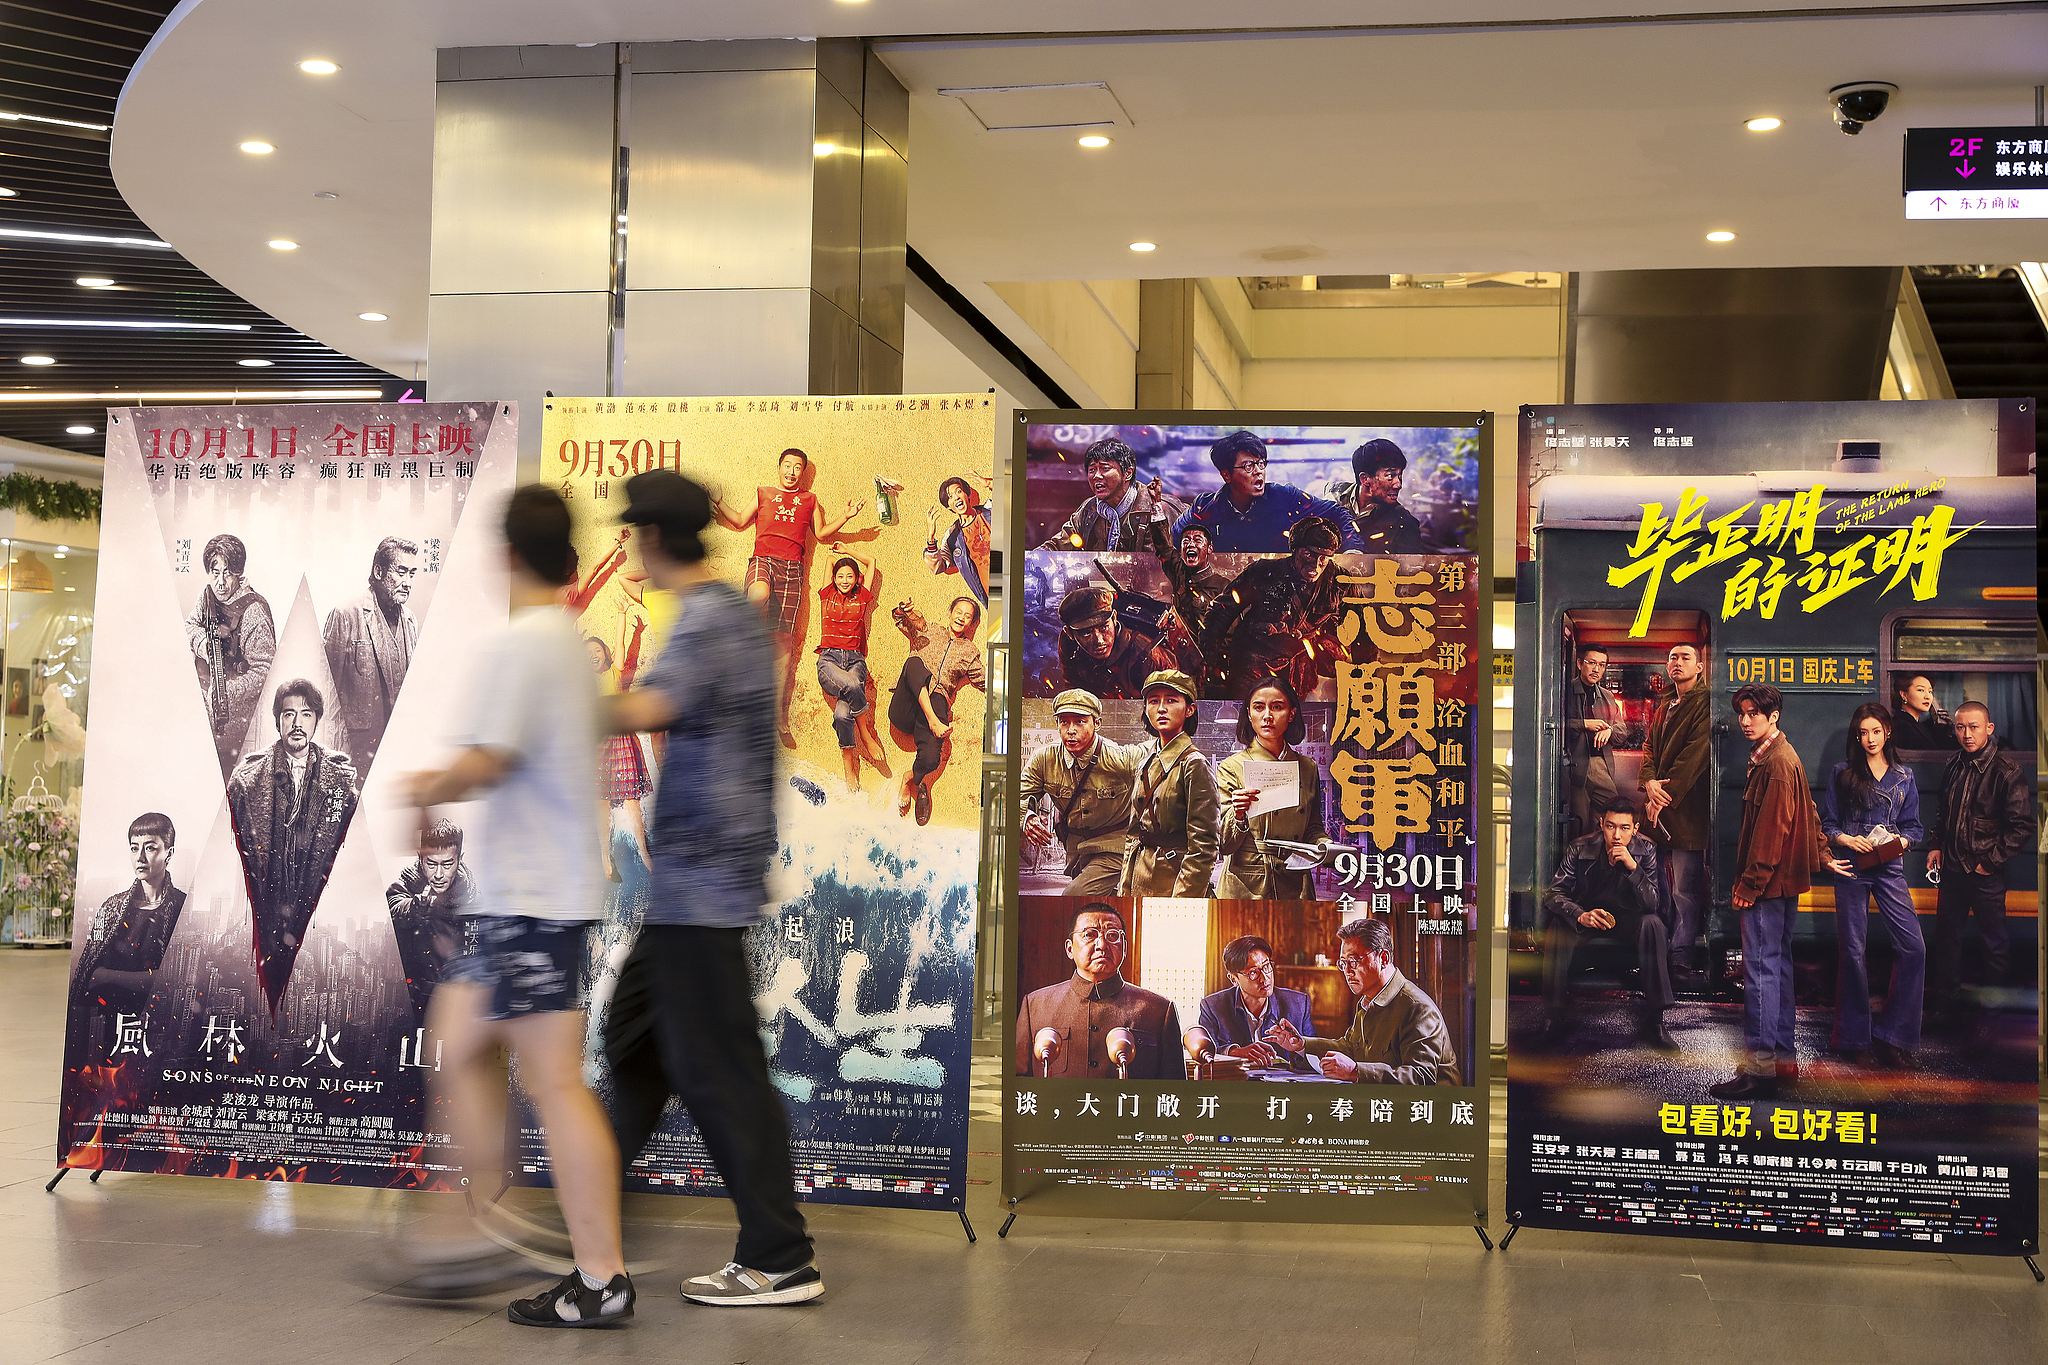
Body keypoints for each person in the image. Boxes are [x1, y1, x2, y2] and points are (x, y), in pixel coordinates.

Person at [403, 484, 630, 1326]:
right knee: (457, 1038)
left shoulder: (525, 645)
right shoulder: (565, 643)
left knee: (554, 1082)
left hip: (531, 902)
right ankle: (471, 1221)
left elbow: (486, 760)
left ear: (505, 556)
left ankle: (601, 1274)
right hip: (526, 899)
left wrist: (415, 788)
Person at [602, 469, 820, 1307]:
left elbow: (652, 705)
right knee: (635, 1043)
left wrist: (552, 701)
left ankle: (779, 1251)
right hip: (694, 883)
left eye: (631, 533)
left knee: (717, 1067)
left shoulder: (711, 615)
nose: (627, 547)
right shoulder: (722, 613)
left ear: (653, 536)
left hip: (703, 884)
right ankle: (587, 1222)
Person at [1708, 684, 1850, 1101]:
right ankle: (1783, 1063)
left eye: (1755, 713)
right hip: (1781, 884)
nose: (1746, 720)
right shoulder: (1779, 757)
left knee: (1761, 973)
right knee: (1779, 970)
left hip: (1767, 887)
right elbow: (1805, 809)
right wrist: (1822, 855)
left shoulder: (1776, 763)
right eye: (1742, 713)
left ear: (1774, 716)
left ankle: (1762, 1070)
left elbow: (1773, 830)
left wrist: (1749, 886)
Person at [708, 447, 864, 748]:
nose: (792, 472)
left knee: (782, 646)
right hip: (763, 561)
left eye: (798, 468)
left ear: (803, 473)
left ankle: (777, 713)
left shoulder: (810, 500)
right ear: (779, 467)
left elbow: (820, 534)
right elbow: (740, 520)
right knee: (758, 595)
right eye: (787, 466)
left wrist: (845, 517)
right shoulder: (764, 492)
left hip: (793, 570)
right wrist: (718, 502)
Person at [224, 679, 357, 1014]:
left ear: (316, 721)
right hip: (267, 901)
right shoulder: (247, 782)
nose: (297, 723)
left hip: (310, 900)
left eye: (306, 714)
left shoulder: (342, 782)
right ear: (278, 720)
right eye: (289, 714)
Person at [1820, 704, 1924, 1069]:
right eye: (1863, 733)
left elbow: (1914, 828)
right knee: (1853, 952)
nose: (1869, 739)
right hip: (1851, 865)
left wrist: (1901, 843)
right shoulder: (1843, 773)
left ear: (1888, 732)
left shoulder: (1904, 777)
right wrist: (1848, 840)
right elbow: (1828, 826)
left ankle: (1893, 1036)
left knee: (1914, 949)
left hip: (1889, 865)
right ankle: (1854, 1039)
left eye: (1875, 732)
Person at [1540, 798, 1676, 1053]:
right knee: (1559, 925)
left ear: (1635, 829)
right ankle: (1553, 1017)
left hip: (1629, 922)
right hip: (1590, 919)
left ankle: (1656, 1021)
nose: (1617, 835)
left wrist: (1634, 868)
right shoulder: (1579, 848)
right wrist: (1580, 914)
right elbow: (1553, 894)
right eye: (1611, 826)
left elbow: (1653, 904)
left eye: (1625, 828)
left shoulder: (1646, 850)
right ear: (1601, 824)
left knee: (1653, 924)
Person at [1928, 701, 2032, 1018]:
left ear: (1989, 729)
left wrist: (1988, 862)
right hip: (1953, 871)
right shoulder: (1954, 765)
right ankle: (1946, 1007)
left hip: (1984, 873)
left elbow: (2022, 827)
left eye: (1974, 727)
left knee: (1995, 946)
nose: (1967, 734)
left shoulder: (2006, 771)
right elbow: (1943, 813)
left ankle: (1992, 1015)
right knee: (1947, 941)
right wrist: (1935, 844)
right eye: (1960, 727)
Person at [1262, 917, 1459, 1084]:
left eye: (1354, 961)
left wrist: (1356, 1071)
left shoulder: (1416, 1008)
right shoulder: (1368, 1000)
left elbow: (1422, 1077)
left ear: (1383, 958)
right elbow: (1350, 1048)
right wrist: (1301, 1045)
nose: (1347, 971)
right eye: (1343, 963)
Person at [1013, 903, 1181, 1079]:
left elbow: (1175, 1087)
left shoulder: (1158, 1010)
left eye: (1112, 935)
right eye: (1090, 935)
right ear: (1070, 949)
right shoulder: (1035, 1005)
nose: (1102, 945)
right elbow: (1019, 1079)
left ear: (1124, 947)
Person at [69, 813, 186, 1054]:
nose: (140, 857)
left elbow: (173, 983)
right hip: (106, 1024)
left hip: (158, 1030)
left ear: (169, 853)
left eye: (150, 848)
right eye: (134, 848)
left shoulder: (182, 908)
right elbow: (88, 976)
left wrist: (110, 976)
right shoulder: (112, 907)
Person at [1199, 516, 1346, 700]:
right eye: (1309, 555)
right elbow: (1222, 610)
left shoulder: (1340, 582)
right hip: (1252, 666)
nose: (1315, 565)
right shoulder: (1264, 572)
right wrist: (1208, 658)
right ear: (1296, 550)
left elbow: (1364, 632)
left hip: (1298, 673)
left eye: (1323, 558)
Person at [1020, 689, 1147, 897]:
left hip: (1115, 848)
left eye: (1080, 722)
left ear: (1097, 724)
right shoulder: (1044, 759)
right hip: (1077, 852)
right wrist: (1027, 816)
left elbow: (1156, 752)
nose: (1071, 730)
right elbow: (1018, 795)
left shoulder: (1120, 758)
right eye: (1064, 722)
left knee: (1073, 897)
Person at [1215, 676, 1327, 899]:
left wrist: (1327, 847)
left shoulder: (1307, 767)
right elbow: (1223, 845)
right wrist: (1238, 814)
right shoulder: (1232, 767)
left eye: (1277, 707)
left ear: (1291, 714)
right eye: (1259, 707)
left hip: (1295, 880)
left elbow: (1313, 828)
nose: (1267, 716)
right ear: (1249, 713)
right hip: (1247, 883)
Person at [1641, 642, 1711, 981]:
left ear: (1699, 666)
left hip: (1687, 808)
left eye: (1685, 657)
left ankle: (1681, 954)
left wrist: (1659, 795)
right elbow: (1649, 747)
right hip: (1661, 804)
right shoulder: (1667, 703)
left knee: (1686, 886)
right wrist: (1648, 781)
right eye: (1672, 658)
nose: (1677, 663)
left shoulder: (1705, 702)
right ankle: (1660, 948)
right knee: (1658, 884)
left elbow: (1694, 757)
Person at [1169, 430, 1363, 553]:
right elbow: (1175, 537)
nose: (1258, 472)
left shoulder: (1285, 497)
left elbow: (1338, 513)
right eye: (1248, 466)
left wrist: (1353, 551)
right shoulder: (1205, 508)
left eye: (1261, 464)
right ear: (1226, 475)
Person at [323, 536, 420, 778]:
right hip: (356, 752)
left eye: (412, 574)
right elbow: (326, 694)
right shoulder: (345, 614)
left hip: (399, 750)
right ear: (378, 571)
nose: (408, 582)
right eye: (401, 572)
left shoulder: (410, 621)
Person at [1119, 669, 1220, 897]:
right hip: (1139, 880)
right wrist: (1124, 888)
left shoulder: (1195, 765)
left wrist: (1183, 900)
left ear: (1190, 709)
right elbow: (1133, 834)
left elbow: (1204, 846)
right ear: (1146, 708)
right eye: (1153, 701)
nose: (1161, 708)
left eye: (1171, 700)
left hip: (1174, 883)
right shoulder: (1145, 763)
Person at [888, 595, 986, 825]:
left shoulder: (970, 652)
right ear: (950, 613)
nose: (961, 618)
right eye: (958, 612)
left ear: (971, 624)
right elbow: (904, 620)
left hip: (938, 699)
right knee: (914, 664)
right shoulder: (930, 630)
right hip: (906, 705)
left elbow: (988, 681)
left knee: (932, 759)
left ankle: (912, 780)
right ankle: (932, 720)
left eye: (968, 616)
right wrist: (904, 609)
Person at [186, 533, 275, 774]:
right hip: (203, 722)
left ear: (238, 572)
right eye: (215, 572)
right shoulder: (207, 598)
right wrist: (202, 643)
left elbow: (266, 672)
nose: (221, 582)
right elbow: (190, 625)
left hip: (239, 731)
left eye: (228, 573)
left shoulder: (254, 611)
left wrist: (227, 690)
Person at [814, 546, 890, 791]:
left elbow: (872, 560)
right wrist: (834, 557)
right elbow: (828, 560)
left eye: (849, 576)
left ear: (856, 579)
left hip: (856, 660)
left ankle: (848, 763)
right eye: (840, 576)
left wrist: (847, 549)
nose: (844, 581)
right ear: (834, 579)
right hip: (829, 661)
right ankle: (866, 736)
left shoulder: (862, 596)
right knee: (852, 684)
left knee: (841, 715)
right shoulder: (827, 594)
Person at [386, 817, 477, 1019]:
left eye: (447, 864)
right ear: (420, 857)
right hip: (412, 1005)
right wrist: (415, 909)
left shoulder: (472, 899)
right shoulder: (405, 888)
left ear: (459, 858)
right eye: (431, 863)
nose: (438, 874)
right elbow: (396, 908)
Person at [1035, 437, 1183, 552]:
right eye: (1092, 469)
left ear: (1128, 473)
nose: (1096, 476)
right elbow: (1059, 544)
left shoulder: (1160, 509)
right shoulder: (1089, 510)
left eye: (1105, 468)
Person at [1195, 935, 1313, 1072]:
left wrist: (1300, 1047)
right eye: (1253, 972)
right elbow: (1204, 1052)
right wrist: (1233, 1052)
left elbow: (1314, 1054)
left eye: (1266, 966)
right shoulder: (1212, 1006)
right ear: (1234, 979)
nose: (1264, 978)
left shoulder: (1298, 1004)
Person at [1057, 584, 1177, 701]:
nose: (1099, 641)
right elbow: (1073, 689)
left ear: (1114, 618)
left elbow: (1170, 704)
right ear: (1070, 633)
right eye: (1086, 633)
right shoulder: (1069, 644)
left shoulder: (1148, 656)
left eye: (1103, 628)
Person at [1149, 519, 1232, 679]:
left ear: (1209, 549)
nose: (1190, 544)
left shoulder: (1223, 587)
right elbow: (1164, 548)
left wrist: (1210, 662)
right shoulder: (1180, 574)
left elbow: (1230, 636)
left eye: (1198, 540)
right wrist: (1156, 504)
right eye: (1185, 540)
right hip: (1177, 662)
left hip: (1207, 671)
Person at [1562, 644, 1620, 840]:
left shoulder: (1607, 696)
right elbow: (1554, 726)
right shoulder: (1564, 691)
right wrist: (1584, 724)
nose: (1597, 669)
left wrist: (1610, 730)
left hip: (1600, 765)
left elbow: (1622, 732)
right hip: (1575, 766)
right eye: (1592, 663)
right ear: (1580, 663)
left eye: (1602, 665)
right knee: (1578, 824)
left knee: (1615, 815)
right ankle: (1577, 867)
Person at [1342, 439, 1425, 554]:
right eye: (1390, 475)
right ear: (1365, 479)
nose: (1398, 485)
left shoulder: (1405, 524)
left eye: (1399, 476)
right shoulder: (1334, 498)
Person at [923, 473, 994, 606]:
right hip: (995, 596)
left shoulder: (989, 511)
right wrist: (931, 537)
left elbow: (1012, 496)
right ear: (948, 506)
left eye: (959, 491)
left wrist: (989, 483)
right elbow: (938, 567)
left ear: (967, 495)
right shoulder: (952, 538)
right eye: (950, 497)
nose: (956, 497)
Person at [1889, 672, 1957, 751]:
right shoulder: (1901, 725)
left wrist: (1945, 730)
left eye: (1930, 692)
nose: (1927, 696)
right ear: (1904, 695)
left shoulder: (1922, 726)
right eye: (1921, 690)